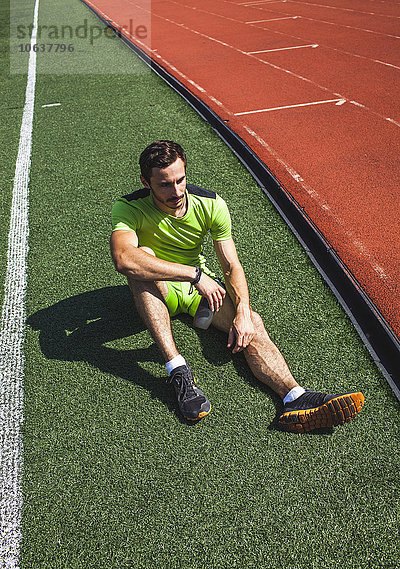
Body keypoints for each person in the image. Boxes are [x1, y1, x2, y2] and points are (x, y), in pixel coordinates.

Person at [110, 140, 364, 432]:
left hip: (196, 292)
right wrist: (194, 275)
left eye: (180, 180)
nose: (177, 192)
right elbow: (123, 258)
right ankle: (177, 370)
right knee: (141, 264)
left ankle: (295, 397)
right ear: (146, 182)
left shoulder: (210, 204)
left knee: (252, 322)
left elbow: (231, 266)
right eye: (165, 185)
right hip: (162, 287)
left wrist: (242, 311)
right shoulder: (128, 207)